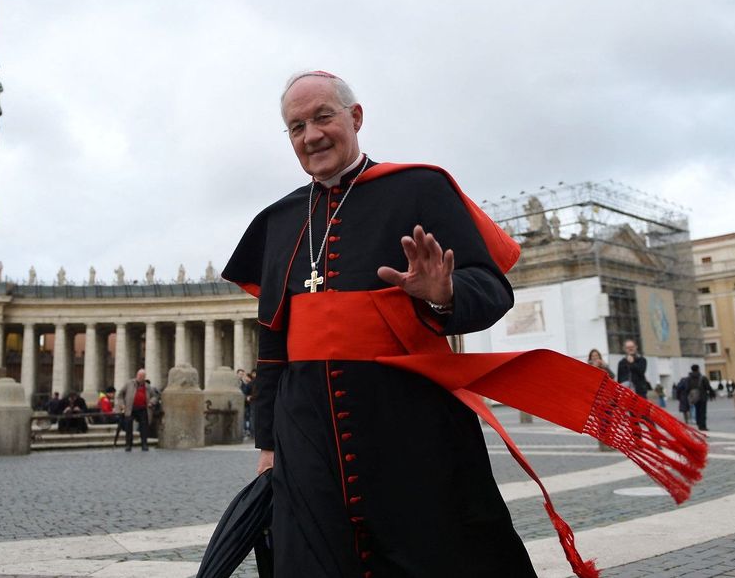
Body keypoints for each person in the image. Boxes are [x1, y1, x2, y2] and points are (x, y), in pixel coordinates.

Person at [222, 71, 536, 576]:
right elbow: (273, 344)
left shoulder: (419, 189)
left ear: (356, 117)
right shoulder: (278, 222)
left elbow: (494, 290)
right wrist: (268, 447)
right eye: (296, 126)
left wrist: (445, 293)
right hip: (307, 443)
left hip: (411, 428)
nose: (312, 135)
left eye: (323, 117)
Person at [117, 369, 159, 452]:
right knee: (128, 427)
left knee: (144, 427)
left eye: (142, 376)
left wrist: (151, 402)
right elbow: (120, 395)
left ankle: (144, 444)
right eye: (139, 376)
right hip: (130, 408)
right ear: (137, 375)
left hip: (143, 409)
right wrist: (122, 404)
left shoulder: (147, 386)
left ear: (144, 377)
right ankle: (128, 445)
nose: (140, 378)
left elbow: (155, 396)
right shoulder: (129, 384)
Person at [681, 365, 715, 431]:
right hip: (702, 397)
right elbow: (708, 387)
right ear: (698, 369)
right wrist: (711, 393)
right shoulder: (702, 377)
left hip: (694, 397)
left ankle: (699, 424)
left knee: (697, 410)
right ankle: (703, 426)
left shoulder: (688, 378)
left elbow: (687, 388)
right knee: (703, 411)